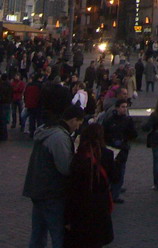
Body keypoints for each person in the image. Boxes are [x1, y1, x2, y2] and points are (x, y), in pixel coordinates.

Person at [23, 86, 82, 248]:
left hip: (37, 189)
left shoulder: (43, 130)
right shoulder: (58, 136)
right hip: (52, 192)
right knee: (57, 234)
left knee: (38, 234)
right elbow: (66, 168)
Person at [63, 122, 115, 248]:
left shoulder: (79, 156)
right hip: (99, 207)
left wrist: (67, 218)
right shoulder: (107, 154)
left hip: (81, 208)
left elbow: (72, 189)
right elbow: (115, 177)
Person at [101, 98, 137, 204]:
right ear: (117, 108)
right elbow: (104, 133)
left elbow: (134, 134)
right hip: (111, 149)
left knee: (120, 172)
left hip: (122, 149)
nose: (124, 109)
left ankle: (114, 194)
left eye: (126, 107)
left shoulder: (128, 120)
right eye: (122, 107)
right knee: (110, 171)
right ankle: (109, 192)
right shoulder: (109, 120)